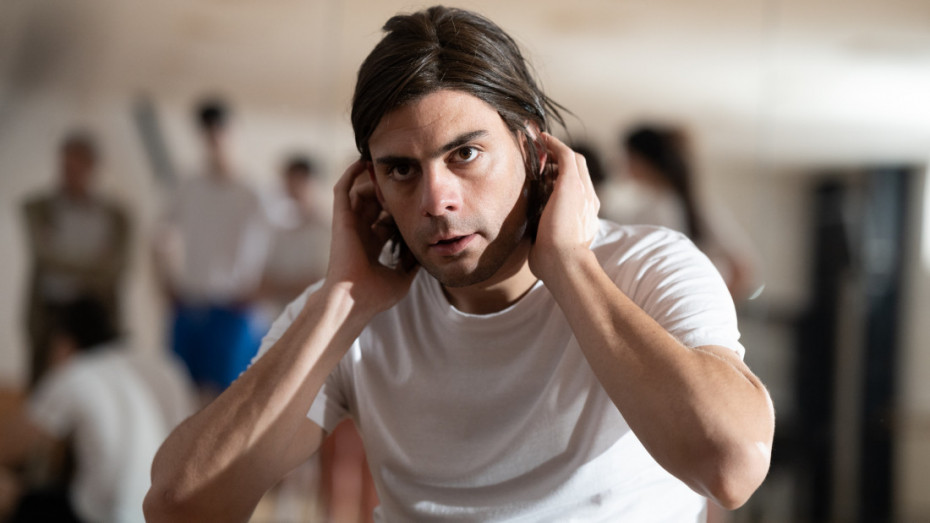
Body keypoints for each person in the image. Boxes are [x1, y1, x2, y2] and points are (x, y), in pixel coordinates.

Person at [145, 6, 775, 522]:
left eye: (465, 154)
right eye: (402, 169)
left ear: (533, 148)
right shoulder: (351, 311)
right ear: (370, 185)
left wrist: (569, 266)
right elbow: (181, 507)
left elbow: (732, 468)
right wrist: (341, 300)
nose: (436, 200)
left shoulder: (649, 266)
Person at [0, 296, 196, 523]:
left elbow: (10, 446)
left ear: (63, 343)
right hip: (170, 511)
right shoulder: (164, 363)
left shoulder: (76, 372)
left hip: (107, 515)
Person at [153, 99, 272, 397]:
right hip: (191, 302)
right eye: (209, 131)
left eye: (221, 130)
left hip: (234, 308)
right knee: (179, 389)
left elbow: (278, 244)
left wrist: (260, 288)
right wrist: (164, 281)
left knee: (229, 395)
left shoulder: (253, 192)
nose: (215, 138)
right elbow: (158, 237)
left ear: (233, 132)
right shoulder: (188, 187)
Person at [21, 132, 131, 387]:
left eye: (76, 167)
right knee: (47, 389)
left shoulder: (115, 216)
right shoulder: (39, 208)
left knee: (95, 386)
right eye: (65, 167)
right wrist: (95, 263)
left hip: (95, 312)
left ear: (92, 167)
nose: (69, 174)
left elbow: (117, 267)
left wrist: (65, 260)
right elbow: (46, 258)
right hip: (52, 310)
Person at [619, 124, 759, 301]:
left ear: (645, 160)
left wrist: (714, 304)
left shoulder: (676, 207)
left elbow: (742, 266)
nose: (624, 164)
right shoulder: (655, 206)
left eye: (629, 157)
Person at [261, 154, 331, 311]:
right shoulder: (280, 228)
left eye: (298, 181)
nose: (292, 188)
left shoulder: (328, 229)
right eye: (289, 181)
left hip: (316, 313)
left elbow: (321, 282)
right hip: (282, 314)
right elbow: (264, 283)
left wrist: (281, 286)